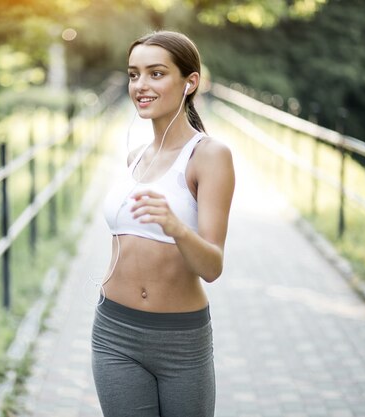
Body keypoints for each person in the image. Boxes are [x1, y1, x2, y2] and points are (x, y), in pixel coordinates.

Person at [91, 31, 235, 417]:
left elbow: (212, 267)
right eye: (134, 74)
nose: (141, 85)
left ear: (190, 82)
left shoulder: (210, 156)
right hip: (114, 332)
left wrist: (176, 227)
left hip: (180, 341)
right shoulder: (134, 157)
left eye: (156, 74)